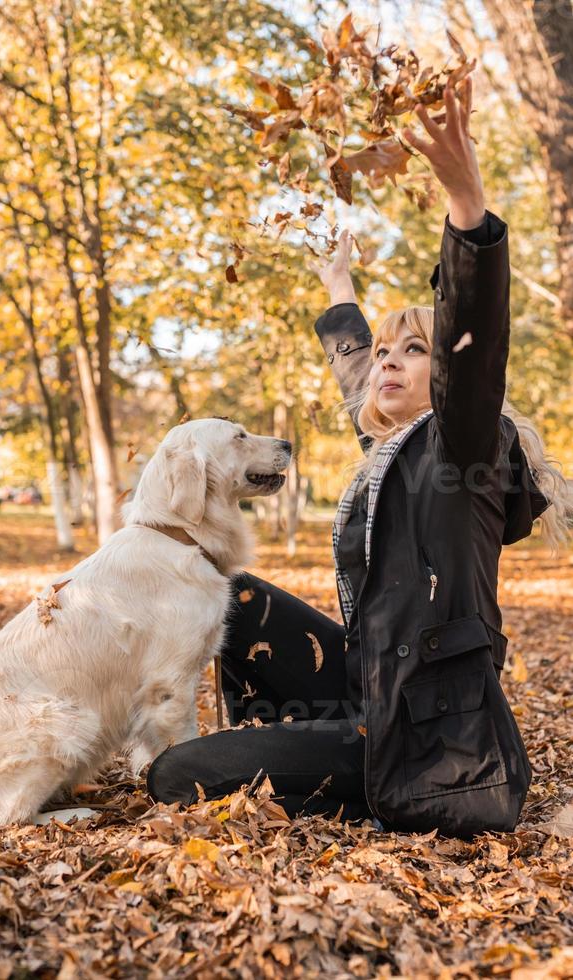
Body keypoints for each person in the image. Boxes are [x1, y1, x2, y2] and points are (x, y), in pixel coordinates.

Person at [146, 75, 571, 837]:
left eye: (415, 350)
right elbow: (358, 385)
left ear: (443, 371)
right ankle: (298, 747)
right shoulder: (396, 453)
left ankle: (349, 779)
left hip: (428, 737)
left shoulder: (462, 449)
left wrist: (468, 211)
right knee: (234, 597)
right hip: (372, 685)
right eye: (383, 352)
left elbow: (473, 353)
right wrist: (338, 283)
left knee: (177, 775)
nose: (387, 363)